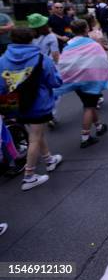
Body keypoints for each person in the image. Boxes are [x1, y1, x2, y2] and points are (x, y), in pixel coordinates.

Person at [0, 27, 63, 190]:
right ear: (31, 39)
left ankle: (49, 159)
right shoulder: (41, 59)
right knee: (34, 137)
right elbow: (55, 82)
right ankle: (29, 176)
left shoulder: (2, 60)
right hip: (38, 104)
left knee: (35, 133)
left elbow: (1, 86)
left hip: (15, 105)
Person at [55, 20, 108, 148]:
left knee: (89, 105)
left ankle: (99, 126)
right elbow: (102, 60)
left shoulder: (68, 46)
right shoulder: (93, 45)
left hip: (77, 81)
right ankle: (85, 138)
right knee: (88, 107)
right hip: (90, 81)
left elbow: (63, 63)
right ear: (86, 29)